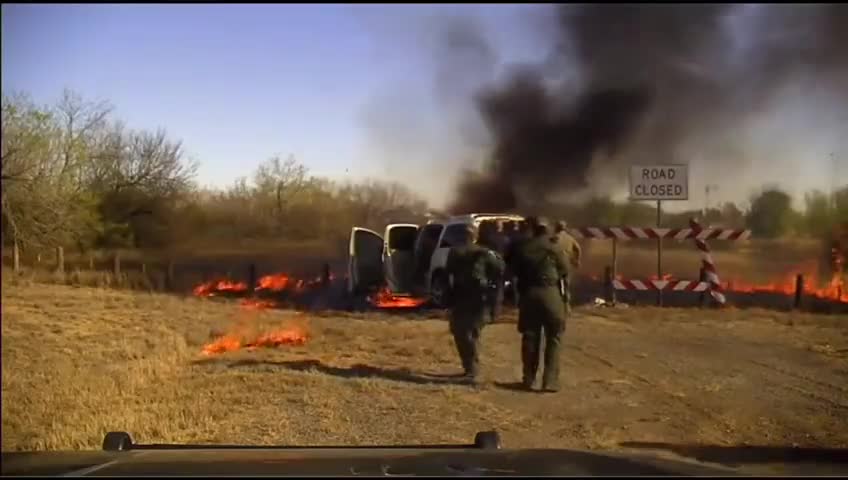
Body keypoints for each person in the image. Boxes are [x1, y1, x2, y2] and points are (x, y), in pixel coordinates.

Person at [506, 216, 571, 393]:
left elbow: (512, 271)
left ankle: (528, 379)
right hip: (551, 295)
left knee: (530, 337)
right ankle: (549, 382)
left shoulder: (523, 248)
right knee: (554, 338)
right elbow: (565, 269)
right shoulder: (555, 247)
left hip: (529, 295)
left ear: (532, 229)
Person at [445, 224, 506, 384]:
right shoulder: (485, 253)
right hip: (479, 298)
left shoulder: (455, 252)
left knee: (462, 333)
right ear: (475, 236)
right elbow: (500, 272)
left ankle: (471, 369)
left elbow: (448, 277)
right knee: (471, 333)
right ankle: (471, 369)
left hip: (463, 298)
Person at [553, 220, 582, 313]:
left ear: (556, 228)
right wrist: (577, 260)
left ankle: (557, 306)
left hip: (556, 265)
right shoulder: (570, 238)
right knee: (566, 285)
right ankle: (567, 307)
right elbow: (578, 249)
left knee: (555, 285)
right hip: (567, 264)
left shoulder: (553, 238)